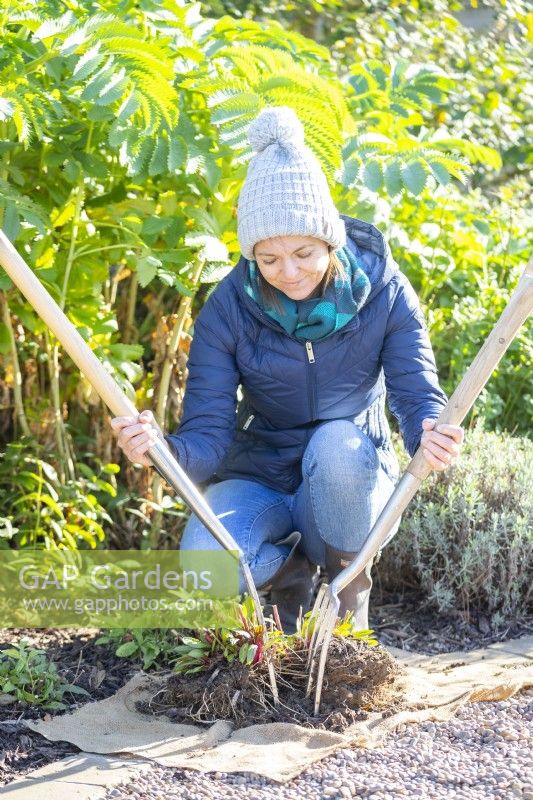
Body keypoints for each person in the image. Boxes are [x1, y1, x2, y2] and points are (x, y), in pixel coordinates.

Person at [111, 106, 464, 633]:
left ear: (330, 240)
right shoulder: (228, 308)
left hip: (351, 481)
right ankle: (289, 574)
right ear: (251, 255)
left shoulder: (385, 291)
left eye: (303, 252)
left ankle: (347, 588)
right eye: (268, 260)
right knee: (206, 568)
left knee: (336, 444)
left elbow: (417, 394)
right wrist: (159, 450)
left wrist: (428, 433)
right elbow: (206, 437)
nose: (288, 273)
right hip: (260, 476)